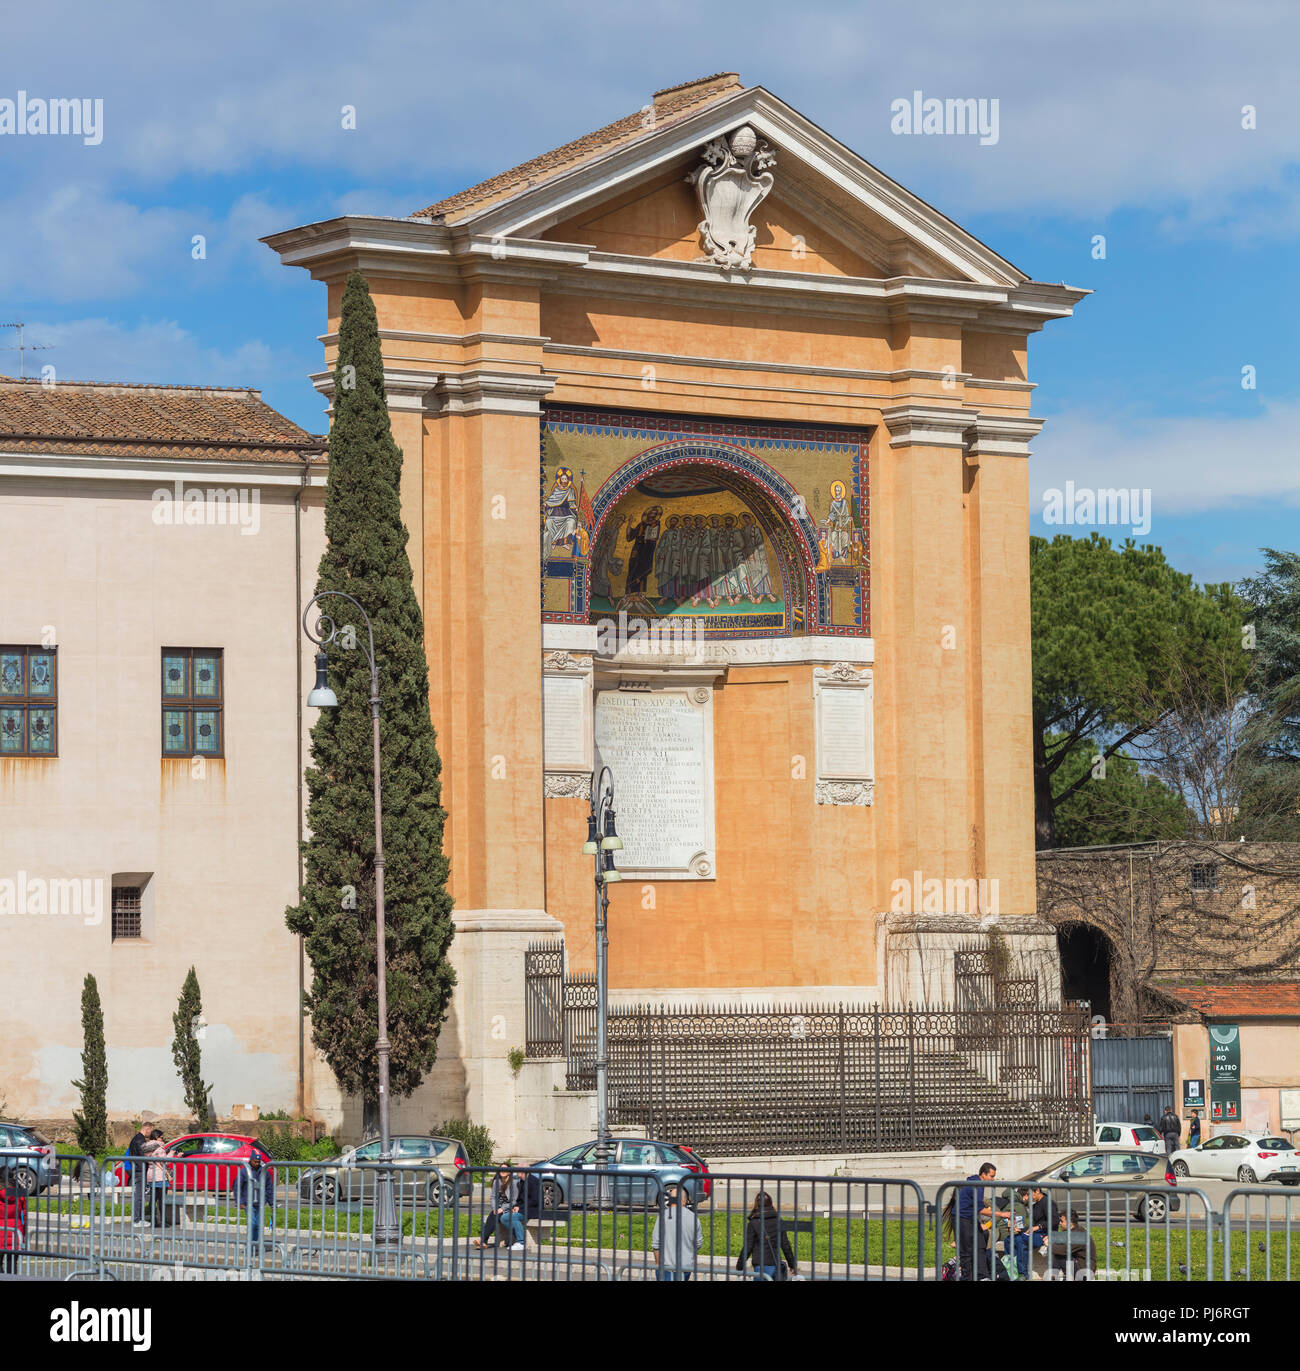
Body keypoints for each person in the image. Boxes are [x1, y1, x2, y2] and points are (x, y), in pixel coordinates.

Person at [947, 1163, 1012, 1281]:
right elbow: (980, 1209)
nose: (993, 1179)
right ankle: (967, 1277)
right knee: (966, 1250)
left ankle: (982, 1275)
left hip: (970, 1219)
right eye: (991, 1176)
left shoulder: (978, 1184)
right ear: (983, 1174)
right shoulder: (976, 1185)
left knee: (981, 1242)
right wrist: (1002, 1214)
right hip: (962, 1219)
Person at [736, 1191, 796, 1281]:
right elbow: (785, 1245)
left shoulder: (754, 1222)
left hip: (761, 1267)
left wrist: (740, 1265)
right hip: (776, 1265)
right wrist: (792, 1265)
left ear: (757, 1204)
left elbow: (748, 1246)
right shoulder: (779, 1221)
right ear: (771, 1203)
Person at [653, 1181, 703, 1281]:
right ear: (684, 1200)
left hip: (666, 1267)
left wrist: (658, 1264)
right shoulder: (693, 1218)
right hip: (685, 1268)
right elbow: (698, 1244)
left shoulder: (662, 1216)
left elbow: (656, 1245)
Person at [472, 1166, 524, 1250]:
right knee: (493, 1214)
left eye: (505, 1169)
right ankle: (483, 1241)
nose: (502, 1171)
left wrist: (502, 1208)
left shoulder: (514, 1182)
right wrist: (495, 1208)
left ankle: (483, 1240)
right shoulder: (497, 1182)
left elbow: (514, 1200)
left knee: (495, 1215)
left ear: (509, 1172)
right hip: (499, 1208)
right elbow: (493, 1197)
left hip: (510, 1207)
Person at [1012, 1185, 1057, 1279]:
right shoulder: (1035, 1206)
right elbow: (1031, 1225)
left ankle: (1022, 1273)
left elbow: (1055, 1220)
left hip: (1045, 1234)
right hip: (1035, 1232)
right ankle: (1012, 1269)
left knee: (1021, 1240)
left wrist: (1039, 1226)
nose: (1029, 1197)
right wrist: (1020, 1228)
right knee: (1011, 1239)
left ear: (1037, 1191)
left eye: (1029, 1194)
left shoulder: (1048, 1202)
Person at [236, 1151, 274, 1252]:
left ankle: (255, 1245)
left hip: (260, 1204)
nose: (257, 1163)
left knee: (258, 1225)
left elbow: (269, 1188)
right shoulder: (244, 1172)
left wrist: (271, 1203)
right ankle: (249, 1245)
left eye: (258, 1161)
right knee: (252, 1224)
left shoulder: (264, 1172)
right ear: (251, 1160)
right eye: (255, 1161)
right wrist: (240, 1202)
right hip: (248, 1203)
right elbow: (238, 1187)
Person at [0, 1159, 27, 1275]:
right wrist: (23, 1232)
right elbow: (24, 1214)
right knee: (12, 1265)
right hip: (16, 1232)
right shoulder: (19, 1191)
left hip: (1, 1231)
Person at [141, 1132, 169, 1227]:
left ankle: (153, 1221)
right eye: (161, 1137)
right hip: (160, 1175)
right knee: (162, 1200)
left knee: (153, 1199)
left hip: (151, 1174)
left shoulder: (146, 1148)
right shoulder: (159, 1148)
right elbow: (165, 1162)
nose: (162, 1139)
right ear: (157, 1137)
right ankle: (163, 1221)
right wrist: (171, 1154)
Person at [127, 1121, 149, 1227]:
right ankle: (137, 1220)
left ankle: (138, 1219)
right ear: (147, 1129)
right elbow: (144, 1154)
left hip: (137, 1168)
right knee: (139, 1196)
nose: (150, 1134)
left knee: (139, 1195)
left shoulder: (135, 1138)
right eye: (150, 1131)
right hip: (140, 1169)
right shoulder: (140, 1140)